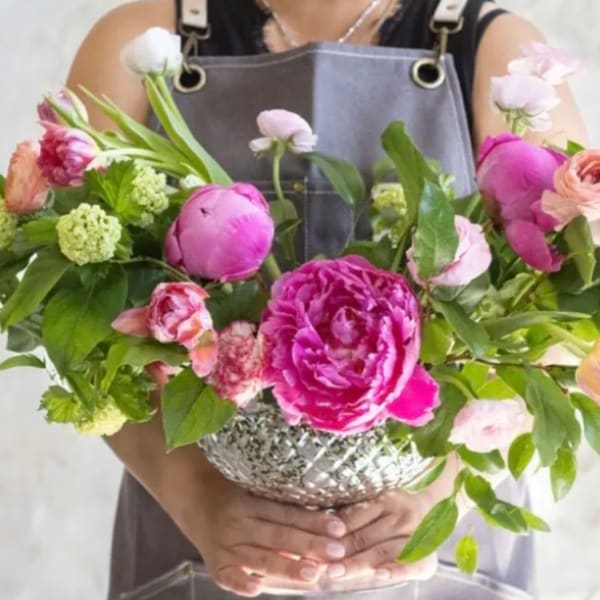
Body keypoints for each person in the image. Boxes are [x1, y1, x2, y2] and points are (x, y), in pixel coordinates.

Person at [67, 1, 587, 598]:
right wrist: (199, 499)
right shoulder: (140, 40)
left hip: (435, 549)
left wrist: (435, 493)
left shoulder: (497, 50)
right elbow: (76, 318)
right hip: (197, 539)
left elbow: (568, 316)